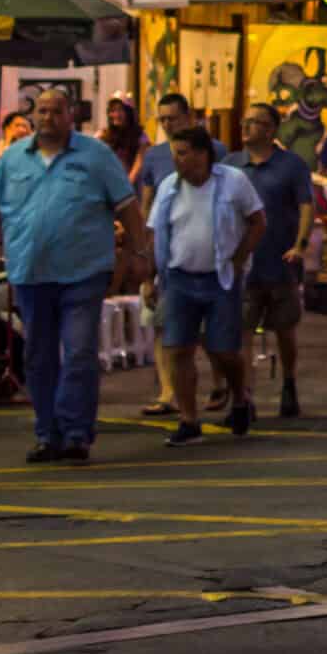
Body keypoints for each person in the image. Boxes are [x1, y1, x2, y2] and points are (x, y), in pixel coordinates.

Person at [0, 87, 146, 463]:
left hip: (83, 273)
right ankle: (47, 432)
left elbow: (128, 207)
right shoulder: (14, 158)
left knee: (80, 349)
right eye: (42, 111)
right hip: (30, 274)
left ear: (72, 115)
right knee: (38, 356)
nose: (48, 118)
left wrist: (140, 254)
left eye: (56, 111)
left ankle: (75, 432)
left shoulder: (95, 155)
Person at [148, 126, 265, 445]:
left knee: (223, 349)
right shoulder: (169, 187)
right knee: (178, 348)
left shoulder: (233, 182)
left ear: (202, 154)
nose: (177, 160)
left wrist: (240, 256)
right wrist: (149, 278)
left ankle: (240, 398)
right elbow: (155, 233)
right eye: (174, 153)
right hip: (180, 278)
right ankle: (189, 419)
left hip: (221, 278)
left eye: (183, 153)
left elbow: (257, 220)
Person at [136, 95, 228, 416]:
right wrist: (145, 258)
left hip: (209, 257)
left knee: (209, 333)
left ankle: (220, 382)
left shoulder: (214, 150)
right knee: (164, 326)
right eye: (162, 119)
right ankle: (169, 392)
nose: (167, 124)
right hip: (169, 253)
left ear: (189, 117)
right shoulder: (154, 157)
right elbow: (146, 205)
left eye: (173, 118)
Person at [225, 102, 315, 420]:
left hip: (280, 260)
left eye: (255, 122)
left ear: (270, 130)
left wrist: (300, 245)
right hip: (243, 263)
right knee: (242, 332)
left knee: (284, 329)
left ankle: (289, 383)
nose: (246, 127)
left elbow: (306, 206)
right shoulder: (231, 165)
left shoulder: (291, 165)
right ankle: (244, 395)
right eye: (244, 121)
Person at [99, 96, 148, 182]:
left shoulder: (140, 136)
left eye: (120, 110)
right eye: (113, 110)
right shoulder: (103, 135)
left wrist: (126, 185)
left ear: (128, 112)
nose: (116, 114)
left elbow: (138, 164)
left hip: (131, 185)